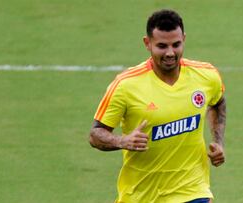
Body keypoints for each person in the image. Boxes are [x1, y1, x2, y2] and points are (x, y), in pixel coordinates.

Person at [89, 9, 226, 203]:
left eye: (176, 45)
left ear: (184, 39)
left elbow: (218, 101)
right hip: (142, 195)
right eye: (162, 46)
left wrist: (218, 142)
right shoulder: (126, 85)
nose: (170, 53)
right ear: (147, 43)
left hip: (192, 190)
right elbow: (95, 135)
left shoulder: (206, 75)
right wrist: (123, 141)